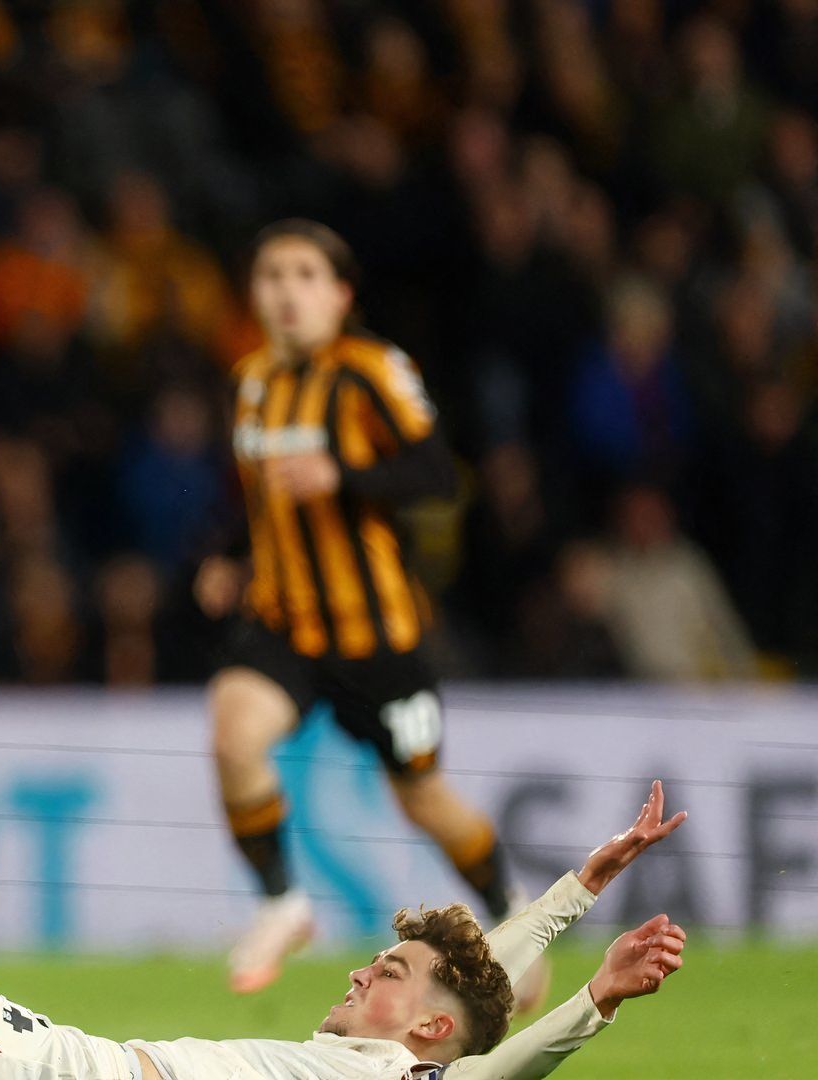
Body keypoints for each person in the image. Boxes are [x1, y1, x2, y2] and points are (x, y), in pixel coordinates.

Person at [0, 781, 686, 1080]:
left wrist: (592, 1000)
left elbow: (503, 1048)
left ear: (426, 1035)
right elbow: (480, 992)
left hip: (85, 1075)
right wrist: (576, 890)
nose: (368, 967)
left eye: (390, 971)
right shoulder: (386, 1057)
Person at [191, 220, 535, 997]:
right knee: (233, 729)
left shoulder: (374, 370)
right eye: (272, 275)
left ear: (342, 294)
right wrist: (229, 561)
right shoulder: (251, 381)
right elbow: (254, 502)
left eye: (306, 274)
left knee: (422, 797)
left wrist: (341, 474)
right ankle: (282, 903)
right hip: (284, 624)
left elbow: (439, 475)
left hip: (377, 637)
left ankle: (512, 910)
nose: (286, 291)